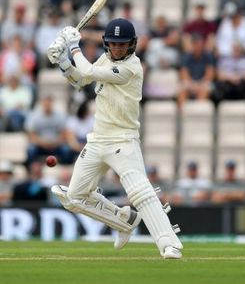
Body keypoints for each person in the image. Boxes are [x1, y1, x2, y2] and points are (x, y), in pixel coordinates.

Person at [46, 18, 183, 258]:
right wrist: (63, 61)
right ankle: (124, 220)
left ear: (132, 45)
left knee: (140, 193)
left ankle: (169, 244)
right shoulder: (104, 59)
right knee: (73, 197)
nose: (118, 48)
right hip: (98, 140)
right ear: (106, 44)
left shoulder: (132, 67)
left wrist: (74, 45)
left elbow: (87, 70)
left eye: (123, 44)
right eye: (113, 43)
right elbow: (81, 79)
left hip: (123, 141)